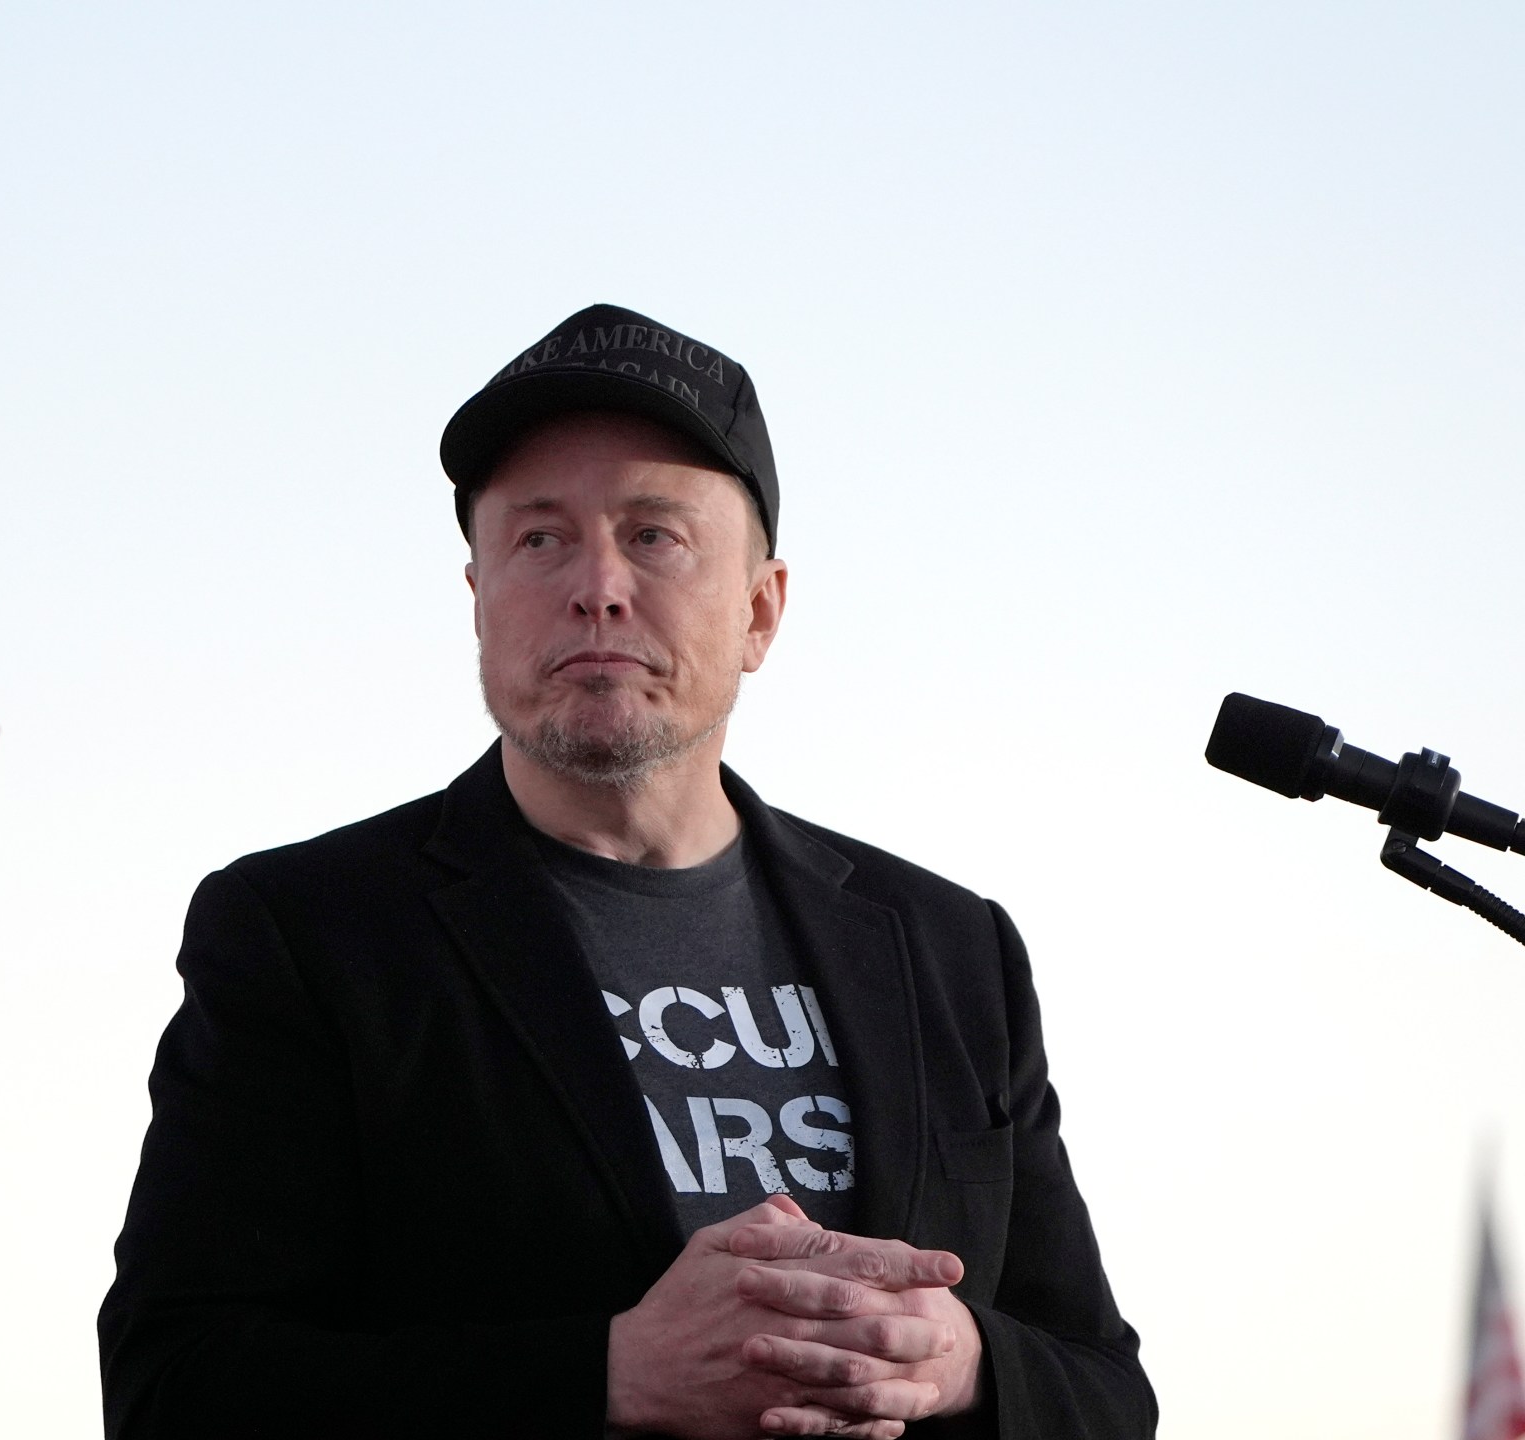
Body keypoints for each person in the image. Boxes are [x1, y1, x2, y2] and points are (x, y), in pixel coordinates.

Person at [98, 304, 1153, 1439]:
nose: (594, 586)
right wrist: (606, 1378)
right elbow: (179, 1390)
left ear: (759, 610)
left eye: (654, 535)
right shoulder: (306, 934)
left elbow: (1104, 1389)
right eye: (539, 539)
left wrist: (962, 1361)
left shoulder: (949, 947)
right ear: (480, 601)